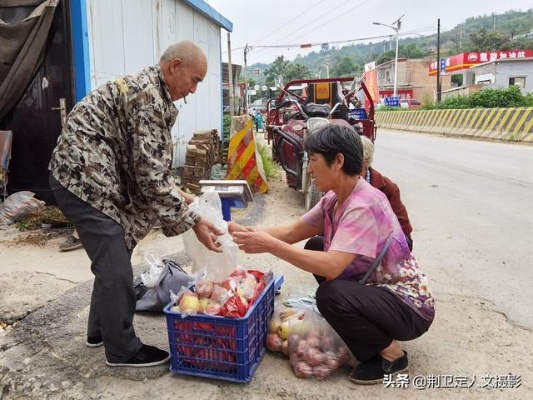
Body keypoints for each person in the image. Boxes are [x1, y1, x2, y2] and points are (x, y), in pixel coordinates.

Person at [48, 40, 223, 368]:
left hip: (88, 175)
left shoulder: (150, 91)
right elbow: (151, 178)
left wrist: (188, 201)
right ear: (174, 67)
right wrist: (195, 221)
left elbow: (150, 170)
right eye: (195, 79)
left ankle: (100, 331)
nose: (194, 90)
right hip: (82, 177)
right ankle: (123, 350)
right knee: (114, 260)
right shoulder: (148, 98)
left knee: (118, 249)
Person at [230, 124, 435, 385]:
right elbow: (293, 230)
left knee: (330, 295)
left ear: (338, 161)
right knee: (316, 244)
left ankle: (393, 355)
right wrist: (243, 233)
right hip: (377, 291)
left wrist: (269, 245)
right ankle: (357, 323)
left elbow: (332, 267)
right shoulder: (335, 198)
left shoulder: (363, 204)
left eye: (313, 160)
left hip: (409, 308)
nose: (309, 168)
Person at [360, 135, 414, 250]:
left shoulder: (387, 188)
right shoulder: (340, 184)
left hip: (383, 243)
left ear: (366, 161)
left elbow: (403, 229)